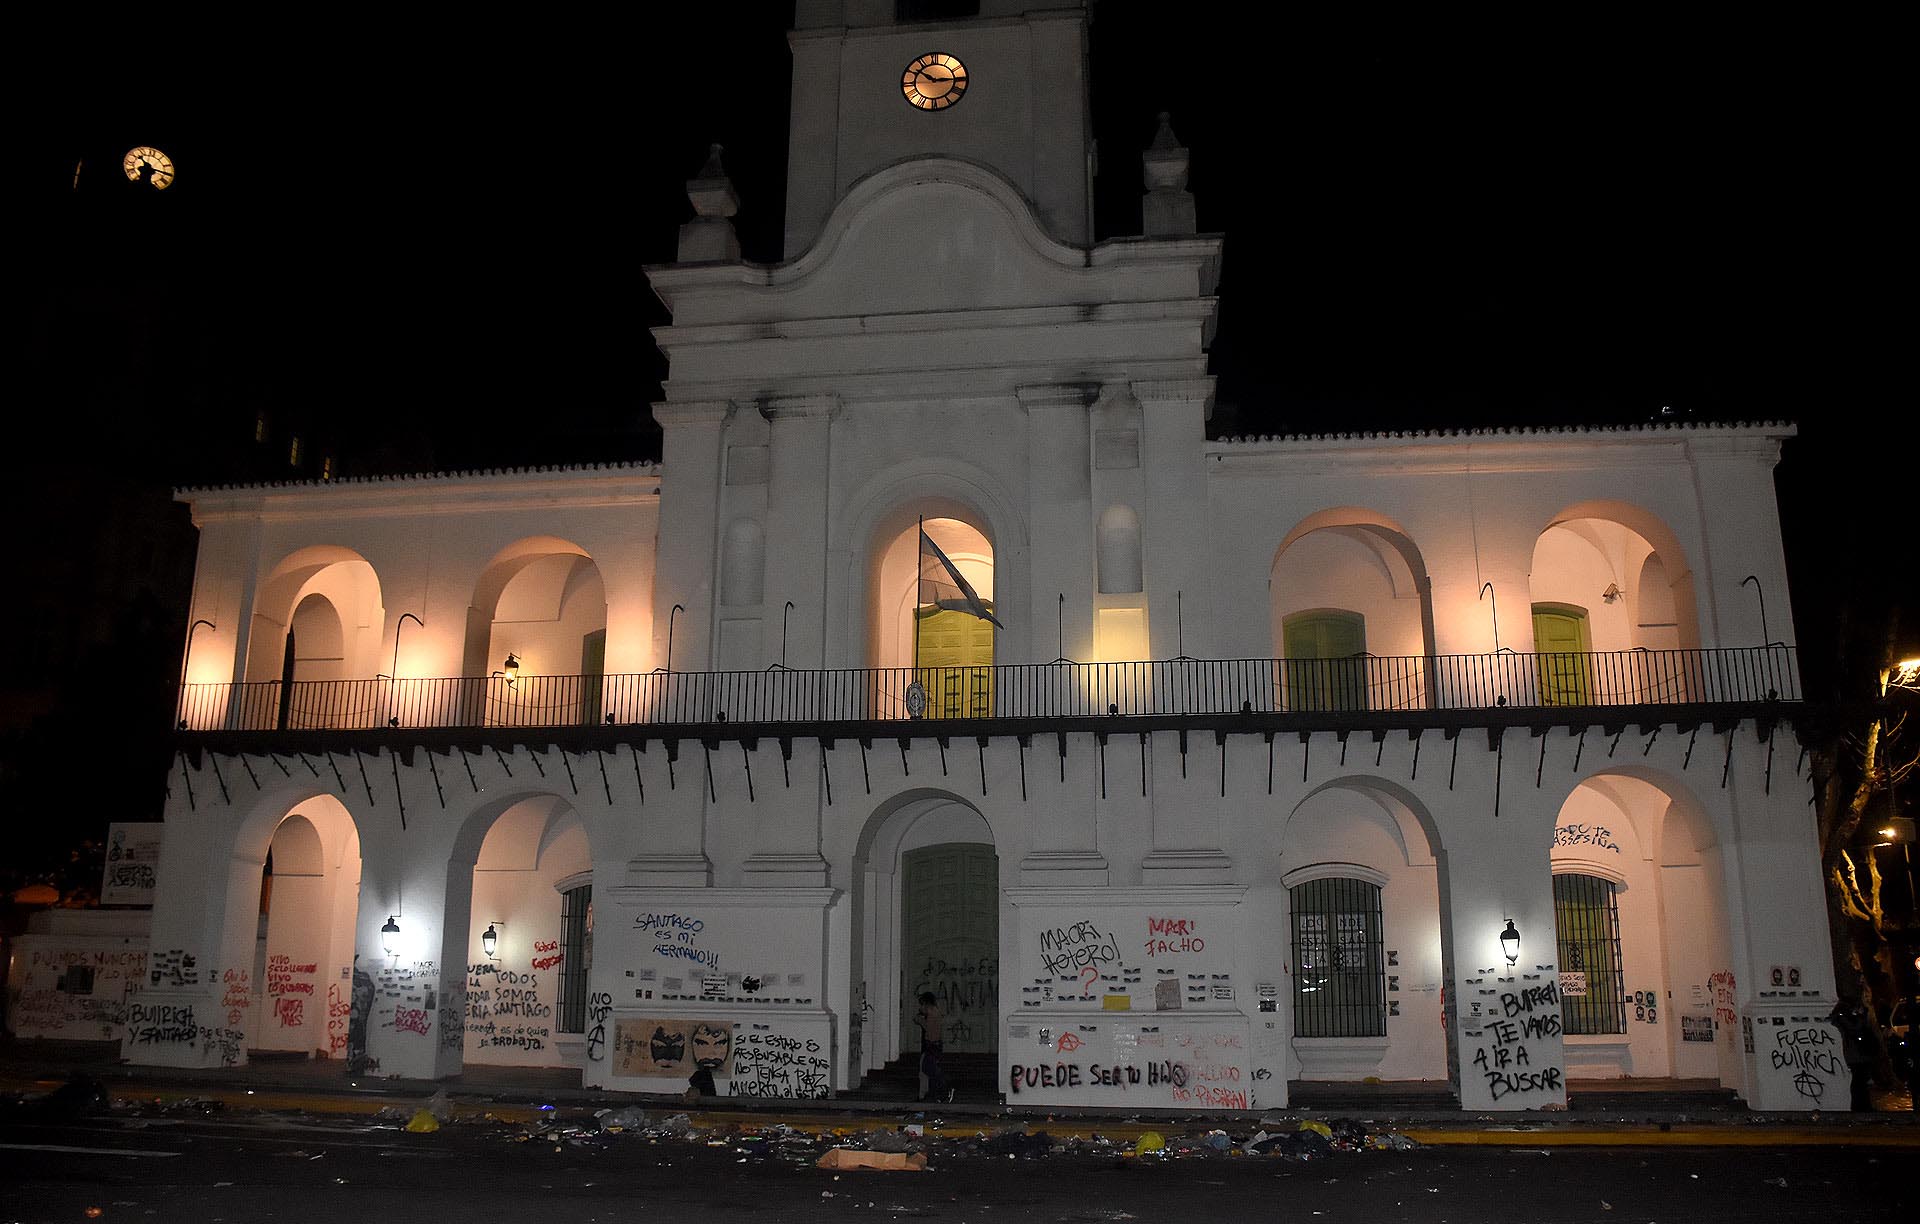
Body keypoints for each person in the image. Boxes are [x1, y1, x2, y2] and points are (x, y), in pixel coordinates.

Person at [1828, 1000, 1875, 1112]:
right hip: (1856, 1055)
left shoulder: (1844, 1018)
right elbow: (1856, 1030)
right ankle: (1861, 1106)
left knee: (1860, 1081)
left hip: (1857, 1054)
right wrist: (1860, 1016)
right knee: (1859, 1082)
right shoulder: (1845, 1019)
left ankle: (1862, 1105)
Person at [915, 991, 952, 1104]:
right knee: (925, 1069)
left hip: (932, 1045)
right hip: (933, 1045)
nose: (921, 1007)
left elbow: (930, 1030)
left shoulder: (932, 1013)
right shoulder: (935, 1012)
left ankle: (943, 1090)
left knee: (929, 1069)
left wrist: (920, 1020)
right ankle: (925, 1094)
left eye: (922, 1004)